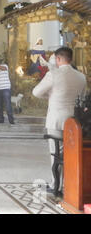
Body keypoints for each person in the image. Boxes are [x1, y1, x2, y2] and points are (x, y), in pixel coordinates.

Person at [33, 47, 86, 193]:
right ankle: (69, 184)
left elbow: (36, 92)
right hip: (74, 121)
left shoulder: (53, 74)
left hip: (56, 120)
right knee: (70, 153)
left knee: (55, 153)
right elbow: (82, 99)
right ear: (71, 58)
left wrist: (51, 96)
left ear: (58, 59)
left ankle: (56, 184)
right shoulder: (81, 77)